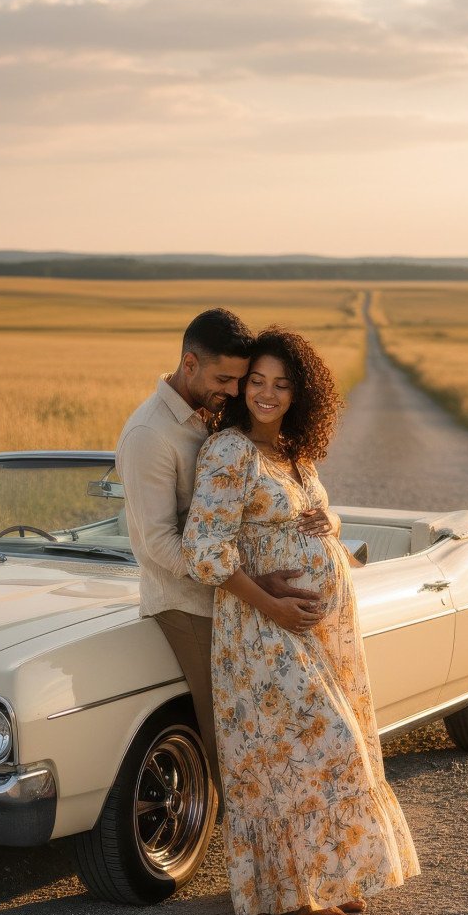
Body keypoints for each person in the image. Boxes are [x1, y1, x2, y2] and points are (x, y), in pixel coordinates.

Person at [182, 327, 422, 915]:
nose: (267, 394)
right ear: (242, 388)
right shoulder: (230, 451)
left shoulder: (293, 451)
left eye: (282, 385)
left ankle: (328, 879)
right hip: (262, 630)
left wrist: (330, 522)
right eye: (257, 382)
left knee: (334, 747)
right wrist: (273, 605)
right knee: (321, 746)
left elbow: (310, 518)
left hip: (321, 633)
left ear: (301, 394)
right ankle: (292, 895)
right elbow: (205, 550)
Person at [116, 309, 339, 819]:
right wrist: (248, 581)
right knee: (228, 734)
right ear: (189, 364)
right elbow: (157, 543)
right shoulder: (150, 434)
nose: (235, 391)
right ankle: (244, 841)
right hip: (190, 605)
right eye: (226, 379)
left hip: (241, 600)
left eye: (242, 380)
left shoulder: (207, 416)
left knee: (266, 728)